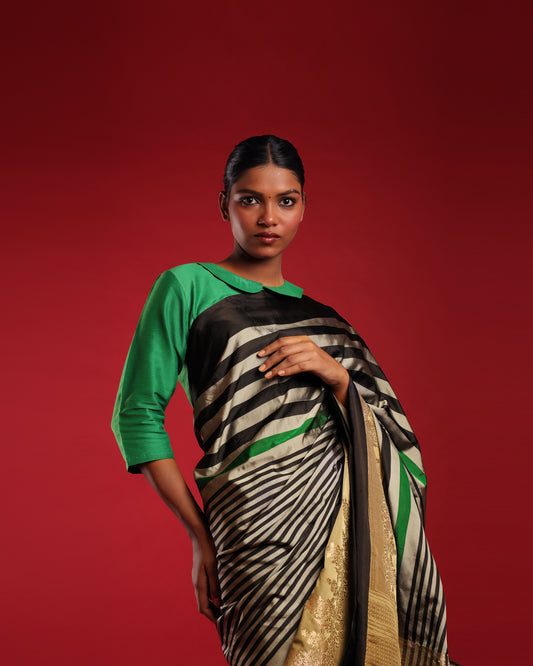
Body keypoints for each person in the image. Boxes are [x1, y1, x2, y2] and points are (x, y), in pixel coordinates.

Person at [111, 135, 450, 665]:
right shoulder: (186, 287)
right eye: (250, 199)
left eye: (285, 201)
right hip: (250, 527)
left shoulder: (327, 321)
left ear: (303, 207)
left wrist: (338, 378)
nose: (268, 217)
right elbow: (136, 415)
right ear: (224, 204)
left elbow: (395, 438)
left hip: (342, 526)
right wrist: (200, 536)